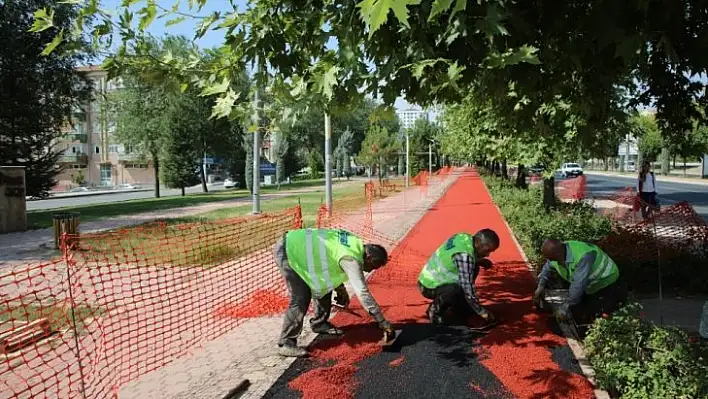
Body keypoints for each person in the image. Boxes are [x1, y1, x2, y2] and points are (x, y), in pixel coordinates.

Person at [272, 228, 394, 357]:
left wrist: (340, 289)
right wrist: (382, 322)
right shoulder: (351, 258)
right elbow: (362, 292)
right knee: (300, 297)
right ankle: (285, 343)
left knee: (324, 285)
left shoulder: (355, 243)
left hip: (301, 248)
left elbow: (330, 261)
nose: (369, 271)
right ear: (368, 257)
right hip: (290, 251)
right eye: (373, 266)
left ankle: (319, 323)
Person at [533, 239, 626, 327]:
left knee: (599, 316)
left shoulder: (583, 256)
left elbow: (578, 285)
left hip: (607, 281)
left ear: (557, 253)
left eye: (550, 258)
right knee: (579, 309)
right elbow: (547, 267)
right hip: (590, 285)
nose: (549, 260)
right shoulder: (560, 251)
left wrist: (564, 309)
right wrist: (541, 286)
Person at [418, 229, 501, 325]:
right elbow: (468, 288)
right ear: (477, 242)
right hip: (428, 286)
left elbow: (458, 257)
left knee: (473, 268)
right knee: (454, 290)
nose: (488, 255)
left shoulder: (464, 237)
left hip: (431, 278)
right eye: (487, 250)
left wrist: (479, 261)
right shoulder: (465, 256)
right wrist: (482, 312)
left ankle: (460, 306)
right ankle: (434, 311)